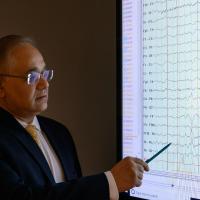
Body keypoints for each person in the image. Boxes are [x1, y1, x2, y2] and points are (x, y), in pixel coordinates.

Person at [0, 35, 149, 200]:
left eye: (45, 73)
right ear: (1, 87)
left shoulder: (59, 133)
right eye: (32, 77)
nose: (45, 84)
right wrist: (110, 182)